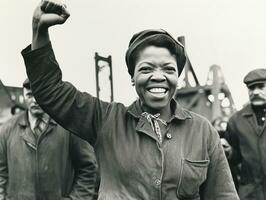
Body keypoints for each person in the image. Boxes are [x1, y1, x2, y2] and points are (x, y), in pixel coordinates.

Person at [21, 1, 239, 199]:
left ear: (177, 77)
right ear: (133, 78)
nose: (158, 76)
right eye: (146, 69)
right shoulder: (106, 120)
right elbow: (50, 92)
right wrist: (38, 29)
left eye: (168, 69)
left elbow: (223, 195)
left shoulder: (203, 131)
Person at [0, 78, 98, 200]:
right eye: (30, 95)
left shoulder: (70, 127)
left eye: (39, 95)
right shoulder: (7, 130)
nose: (35, 100)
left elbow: (87, 168)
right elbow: (1, 174)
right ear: (24, 95)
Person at [225, 68, 266, 200]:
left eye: (261, 87)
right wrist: (229, 151)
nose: (255, 92)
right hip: (251, 193)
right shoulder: (235, 121)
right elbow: (236, 158)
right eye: (251, 88)